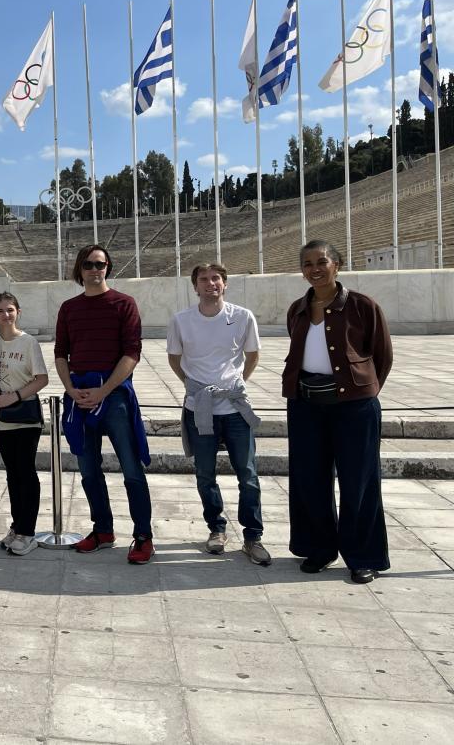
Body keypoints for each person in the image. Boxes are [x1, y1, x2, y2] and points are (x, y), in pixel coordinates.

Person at [283, 240, 393, 584]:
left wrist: (363, 392)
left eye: (321, 261)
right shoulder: (297, 309)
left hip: (353, 408)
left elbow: (382, 355)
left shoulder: (362, 306)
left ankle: (362, 556)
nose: (314, 269)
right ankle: (320, 548)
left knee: (359, 482)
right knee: (310, 480)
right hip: (306, 406)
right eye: (307, 264)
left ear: (337, 265)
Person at [55, 244, 154, 564]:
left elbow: (132, 354)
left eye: (101, 264)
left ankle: (143, 535)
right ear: (79, 270)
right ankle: (103, 530)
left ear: (108, 268)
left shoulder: (124, 304)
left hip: (114, 398)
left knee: (131, 470)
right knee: (87, 471)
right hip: (81, 396)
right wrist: (70, 389)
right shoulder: (69, 308)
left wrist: (105, 390)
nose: (95, 269)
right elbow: (60, 353)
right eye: (88, 264)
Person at [167, 264, 269, 565]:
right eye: (203, 280)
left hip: (234, 408)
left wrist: (238, 384)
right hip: (200, 407)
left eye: (216, 279)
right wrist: (192, 386)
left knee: (247, 474)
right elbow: (174, 358)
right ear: (195, 286)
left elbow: (252, 355)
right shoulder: (182, 320)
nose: (210, 284)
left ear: (225, 284)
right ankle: (216, 529)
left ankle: (253, 535)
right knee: (205, 474)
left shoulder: (241, 316)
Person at [0, 292, 49, 557]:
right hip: (1, 420)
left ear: (18, 312)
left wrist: (15, 395)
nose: (6, 315)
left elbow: (41, 378)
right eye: (1, 310)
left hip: (24, 417)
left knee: (25, 472)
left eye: (10, 310)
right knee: (13, 474)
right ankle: (17, 526)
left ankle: (28, 532)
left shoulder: (28, 343)